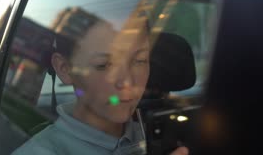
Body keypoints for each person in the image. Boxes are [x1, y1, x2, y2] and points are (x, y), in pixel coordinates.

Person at [13, 16, 188, 155]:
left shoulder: (166, 136)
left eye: (140, 60)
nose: (127, 81)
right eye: (103, 65)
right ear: (64, 69)